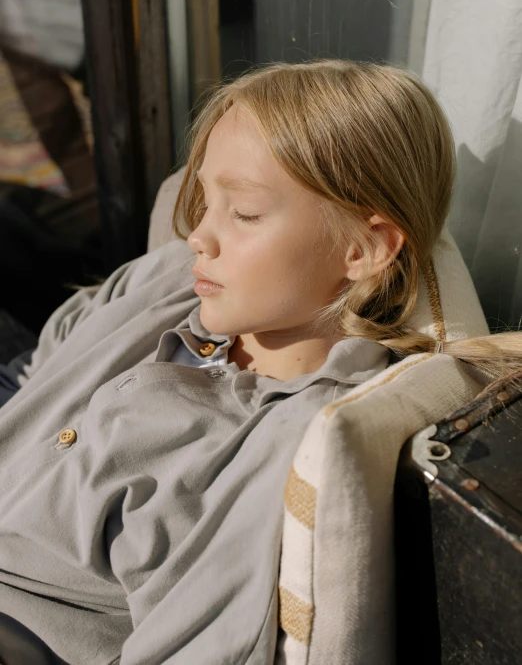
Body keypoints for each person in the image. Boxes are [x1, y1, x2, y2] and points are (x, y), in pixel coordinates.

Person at [0, 59, 519, 665]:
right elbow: (62, 342)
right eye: (204, 202)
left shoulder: (267, 446)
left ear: (365, 248)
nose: (198, 234)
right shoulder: (184, 280)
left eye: (243, 214)